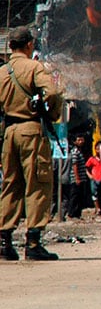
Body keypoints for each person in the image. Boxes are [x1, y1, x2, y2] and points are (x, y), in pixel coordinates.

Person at [0, 26, 63, 260]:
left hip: (9, 133)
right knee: (38, 183)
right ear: (29, 45)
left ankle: (4, 242)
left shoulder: (2, 72)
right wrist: (51, 113)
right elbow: (53, 93)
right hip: (31, 131)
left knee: (10, 184)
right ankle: (33, 242)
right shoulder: (34, 67)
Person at [65, 134, 90, 219]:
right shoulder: (75, 151)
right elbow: (74, 165)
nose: (81, 142)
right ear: (75, 141)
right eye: (79, 140)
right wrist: (77, 178)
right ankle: (71, 213)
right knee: (74, 196)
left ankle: (77, 214)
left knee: (80, 196)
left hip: (82, 178)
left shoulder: (80, 151)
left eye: (82, 140)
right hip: (76, 178)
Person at [85, 141, 101, 216]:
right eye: (97, 149)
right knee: (94, 194)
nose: (99, 150)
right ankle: (97, 208)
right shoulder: (92, 159)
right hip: (95, 179)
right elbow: (86, 168)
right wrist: (89, 175)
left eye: (100, 149)